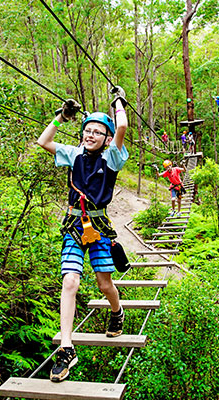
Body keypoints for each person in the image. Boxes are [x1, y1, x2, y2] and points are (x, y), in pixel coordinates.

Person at [36, 87, 129, 383]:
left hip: (99, 228)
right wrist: (62, 117)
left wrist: (118, 100)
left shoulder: (112, 158)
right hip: (73, 227)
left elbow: (123, 125)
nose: (90, 135)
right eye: (87, 130)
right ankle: (66, 348)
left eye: (97, 132)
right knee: (70, 280)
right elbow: (44, 141)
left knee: (105, 284)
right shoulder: (73, 153)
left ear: (106, 138)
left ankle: (117, 311)